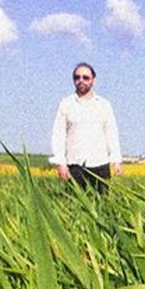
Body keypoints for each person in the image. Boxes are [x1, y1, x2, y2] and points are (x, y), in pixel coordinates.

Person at [50, 62, 123, 192]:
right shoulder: (66, 104)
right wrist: (60, 162)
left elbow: (111, 133)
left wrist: (116, 160)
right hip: (75, 165)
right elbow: (58, 134)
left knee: (103, 201)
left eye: (85, 77)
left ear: (93, 80)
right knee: (74, 202)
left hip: (100, 164)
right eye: (77, 77)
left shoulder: (104, 105)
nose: (81, 81)